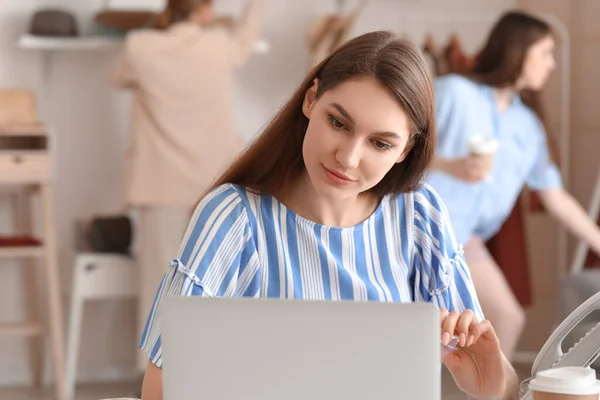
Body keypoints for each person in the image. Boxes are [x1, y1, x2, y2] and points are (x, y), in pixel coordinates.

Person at [138, 31, 519, 400]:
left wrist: (491, 387)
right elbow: (160, 388)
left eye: (381, 143)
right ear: (310, 100)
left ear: (405, 151)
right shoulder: (233, 217)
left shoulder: (419, 216)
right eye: (338, 123)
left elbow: (500, 384)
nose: (348, 158)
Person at [428, 11, 600, 361]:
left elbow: (554, 197)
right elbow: (397, 147)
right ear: (518, 51)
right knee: (420, 326)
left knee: (506, 317)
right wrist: (450, 165)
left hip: (462, 240)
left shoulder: (528, 125)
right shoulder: (454, 92)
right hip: (418, 228)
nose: (551, 65)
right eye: (546, 53)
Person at [110, 0, 266, 372]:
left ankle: (151, 378)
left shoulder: (140, 46)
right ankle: (209, 372)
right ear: (206, 10)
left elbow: (115, 77)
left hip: (159, 184)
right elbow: (246, 40)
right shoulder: (218, 46)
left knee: (157, 288)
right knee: (216, 284)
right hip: (213, 186)